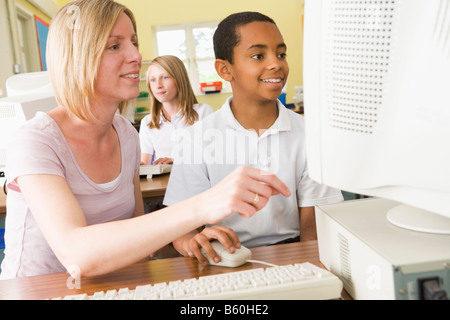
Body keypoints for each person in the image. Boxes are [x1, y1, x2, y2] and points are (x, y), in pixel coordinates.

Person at [0, 1, 291, 280]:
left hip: (112, 288)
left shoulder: (125, 134)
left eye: (134, 42)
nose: (136, 56)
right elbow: (77, 254)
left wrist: (191, 241)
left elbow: (139, 240)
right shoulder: (35, 141)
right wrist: (202, 206)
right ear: (78, 58)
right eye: (115, 46)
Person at [163, 12, 344, 265]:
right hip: (222, 259)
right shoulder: (197, 139)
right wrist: (192, 242)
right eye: (258, 56)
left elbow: (313, 230)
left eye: (281, 54)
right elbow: (180, 227)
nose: (276, 64)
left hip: (293, 255)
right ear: (225, 69)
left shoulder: (309, 134)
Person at [139, 55, 213, 165]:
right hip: (162, 182)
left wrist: (177, 162)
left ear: (179, 79)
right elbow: (144, 163)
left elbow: (212, 156)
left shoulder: (203, 112)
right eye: (153, 80)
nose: (158, 85)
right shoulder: (147, 123)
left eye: (164, 77)